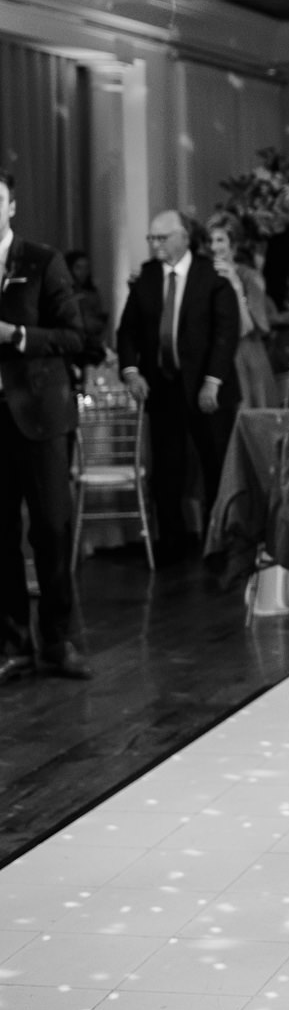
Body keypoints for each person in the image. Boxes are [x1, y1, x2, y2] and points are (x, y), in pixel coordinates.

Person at [0, 171, 90, 684]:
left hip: (40, 415)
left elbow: (75, 337)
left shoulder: (41, 260)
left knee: (52, 529)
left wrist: (16, 336)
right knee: (1, 536)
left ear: (11, 206)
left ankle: (59, 640)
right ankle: (14, 644)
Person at [116, 208, 241, 563]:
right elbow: (127, 331)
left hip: (208, 387)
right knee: (167, 469)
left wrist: (212, 382)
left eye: (162, 237)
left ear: (184, 237)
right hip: (163, 386)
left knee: (214, 466)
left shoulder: (211, 274)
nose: (155, 244)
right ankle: (170, 543)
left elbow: (226, 332)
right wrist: (131, 371)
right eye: (151, 238)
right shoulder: (147, 276)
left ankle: (218, 544)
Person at [207, 212, 280, 408]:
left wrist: (236, 285)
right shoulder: (204, 276)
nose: (214, 246)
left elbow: (247, 328)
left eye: (220, 240)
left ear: (233, 244)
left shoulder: (250, 277)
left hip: (246, 357)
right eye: (211, 240)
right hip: (214, 359)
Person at [64, 249, 108, 371]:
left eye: (86, 267)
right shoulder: (63, 292)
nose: (83, 272)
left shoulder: (92, 293)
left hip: (90, 345)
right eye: (78, 267)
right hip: (69, 346)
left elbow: (99, 321)